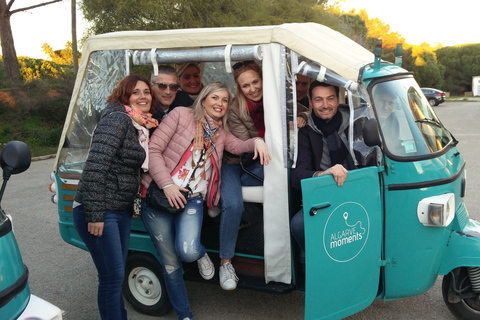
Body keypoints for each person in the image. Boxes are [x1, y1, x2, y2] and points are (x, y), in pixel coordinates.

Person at [141, 81, 271, 320]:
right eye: (215, 98)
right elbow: (154, 149)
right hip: (160, 195)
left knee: (188, 251)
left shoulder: (219, 133)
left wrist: (258, 142)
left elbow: (239, 145)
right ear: (203, 100)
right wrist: (167, 185)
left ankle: (199, 253)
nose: (219, 104)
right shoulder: (181, 115)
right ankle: (184, 314)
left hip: (192, 199)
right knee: (170, 264)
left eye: (224, 100)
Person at [73, 74, 158, 320]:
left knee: (116, 275)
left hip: (118, 211)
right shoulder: (117, 121)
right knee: (111, 278)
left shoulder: (139, 124)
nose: (143, 96)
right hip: (99, 211)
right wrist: (96, 215)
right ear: (124, 96)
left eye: (146, 92)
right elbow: (95, 168)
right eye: (136, 92)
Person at [218, 60, 308, 291]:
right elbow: (244, 147)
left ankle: (291, 253)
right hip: (236, 163)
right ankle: (225, 262)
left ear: (262, 79)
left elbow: (302, 109)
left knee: (290, 182)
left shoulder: (275, 98)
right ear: (239, 88)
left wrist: (302, 118)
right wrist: (279, 135)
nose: (252, 88)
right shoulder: (237, 109)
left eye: (255, 82)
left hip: (262, 163)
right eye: (245, 85)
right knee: (234, 205)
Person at [290, 81, 356, 252]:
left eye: (330, 99)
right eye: (318, 100)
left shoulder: (355, 121)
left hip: (357, 188)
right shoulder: (306, 131)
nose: (325, 105)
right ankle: (316, 261)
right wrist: (325, 173)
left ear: (338, 99)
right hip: (325, 193)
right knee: (299, 224)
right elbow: (297, 176)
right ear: (310, 103)